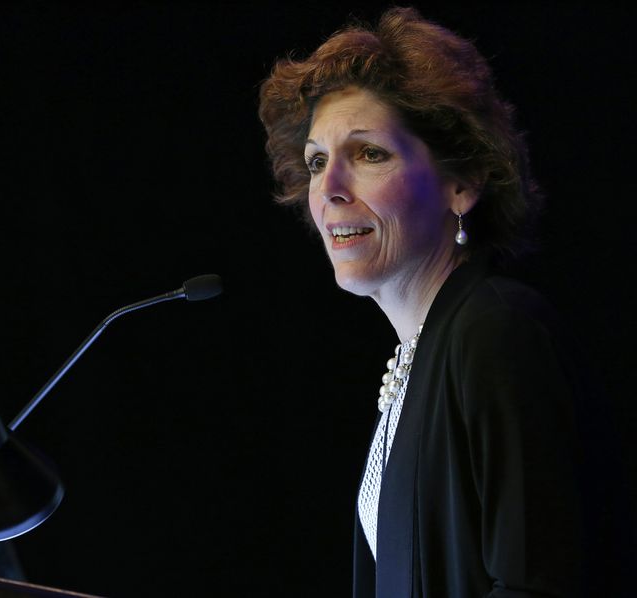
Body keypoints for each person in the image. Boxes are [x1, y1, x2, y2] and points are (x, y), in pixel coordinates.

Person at [257, 6, 627, 597]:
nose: (328, 190)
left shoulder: (496, 330)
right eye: (317, 162)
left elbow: (540, 584)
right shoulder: (420, 362)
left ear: (463, 183)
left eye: (369, 153)